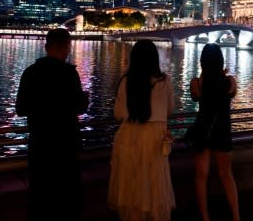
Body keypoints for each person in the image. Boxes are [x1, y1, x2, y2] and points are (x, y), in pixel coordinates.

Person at [16, 28, 90, 221]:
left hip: (40, 143)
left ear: (46, 46)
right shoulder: (69, 74)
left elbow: (21, 108)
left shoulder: (30, 73)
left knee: (40, 193)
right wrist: (83, 100)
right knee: (66, 196)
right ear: (67, 47)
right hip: (66, 144)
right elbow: (79, 107)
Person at [108, 39, 176, 221]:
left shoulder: (125, 81)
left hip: (130, 136)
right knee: (154, 187)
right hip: (155, 140)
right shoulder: (165, 81)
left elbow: (119, 114)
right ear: (155, 58)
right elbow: (169, 109)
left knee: (131, 186)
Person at [189, 43, 240, 221]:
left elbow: (195, 96)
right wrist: (222, 74)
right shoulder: (230, 81)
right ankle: (235, 216)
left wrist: (205, 74)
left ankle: (205, 217)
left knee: (201, 176)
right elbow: (232, 94)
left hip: (203, 130)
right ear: (221, 60)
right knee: (226, 175)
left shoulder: (197, 82)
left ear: (202, 61)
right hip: (223, 130)